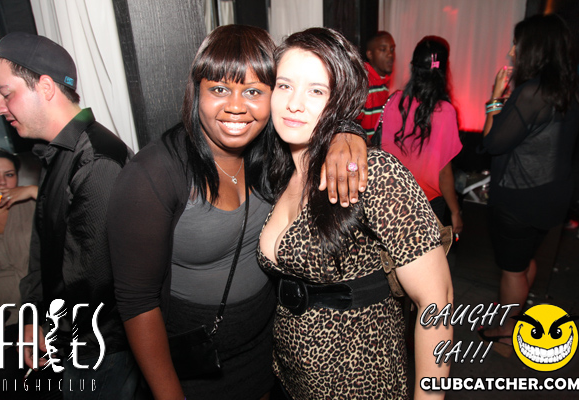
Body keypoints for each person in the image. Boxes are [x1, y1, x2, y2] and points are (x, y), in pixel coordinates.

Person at [107, 24, 368, 400]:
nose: (235, 106)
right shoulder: (154, 174)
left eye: (253, 91)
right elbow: (137, 302)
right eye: (219, 89)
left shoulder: (274, 151)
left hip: (267, 356)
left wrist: (347, 131)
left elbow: (318, 122)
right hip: (193, 367)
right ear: (196, 91)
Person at [258, 27, 453, 399]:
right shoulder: (276, 171)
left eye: (316, 90)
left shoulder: (374, 173)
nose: (294, 103)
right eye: (284, 85)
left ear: (341, 99)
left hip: (362, 384)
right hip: (289, 381)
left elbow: (437, 300)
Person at [0, 32, 139, 398]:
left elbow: (92, 284)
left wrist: (48, 330)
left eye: (5, 94)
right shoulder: (56, 152)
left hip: (96, 350)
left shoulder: (96, 160)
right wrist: (32, 316)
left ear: (45, 86)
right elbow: (43, 252)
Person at [479, 14, 579, 349]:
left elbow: (492, 143)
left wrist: (495, 98)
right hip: (553, 195)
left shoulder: (531, 93)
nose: (512, 51)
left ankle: (507, 328)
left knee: (512, 269)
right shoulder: (571, 90)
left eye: (517, 44)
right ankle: (515, 308)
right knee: (524, 262)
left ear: (536, 48)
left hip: (519, 198)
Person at [372, 37, 463, 233]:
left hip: (390, 200)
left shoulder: (394, 100)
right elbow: (444, 173)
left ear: (412, 67)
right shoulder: (445, 111)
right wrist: (455, 211)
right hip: (426, 206)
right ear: (443, 70)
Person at [0, 149, 37, 398]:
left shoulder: (32, 205)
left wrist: (34, 191)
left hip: (43, 312)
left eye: (9, 175)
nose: (2, 183)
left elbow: (75, 204)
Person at [356, 31, 396, 142]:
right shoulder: (364, 82)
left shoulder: (383, 81)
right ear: (370, 54)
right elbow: (353, 122)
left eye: (392, 49)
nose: (390, 55)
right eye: (383, 50)